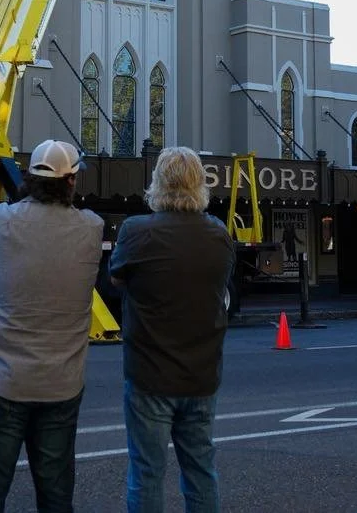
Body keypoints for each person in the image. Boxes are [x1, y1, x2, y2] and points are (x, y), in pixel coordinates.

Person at [0, 139, 104, 513]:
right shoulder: (91, 228)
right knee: (55, 498)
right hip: (61, 386)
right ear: (70, 182)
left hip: (0, 381)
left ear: (29, 178)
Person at [110, 146, 235, 513]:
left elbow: (116, 279)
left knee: (147, 473)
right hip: (201, 374)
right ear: (200, 185)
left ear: (158, 183)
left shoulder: (136, 231)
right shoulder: (218, 234)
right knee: (200, 471)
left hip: (149, 374)